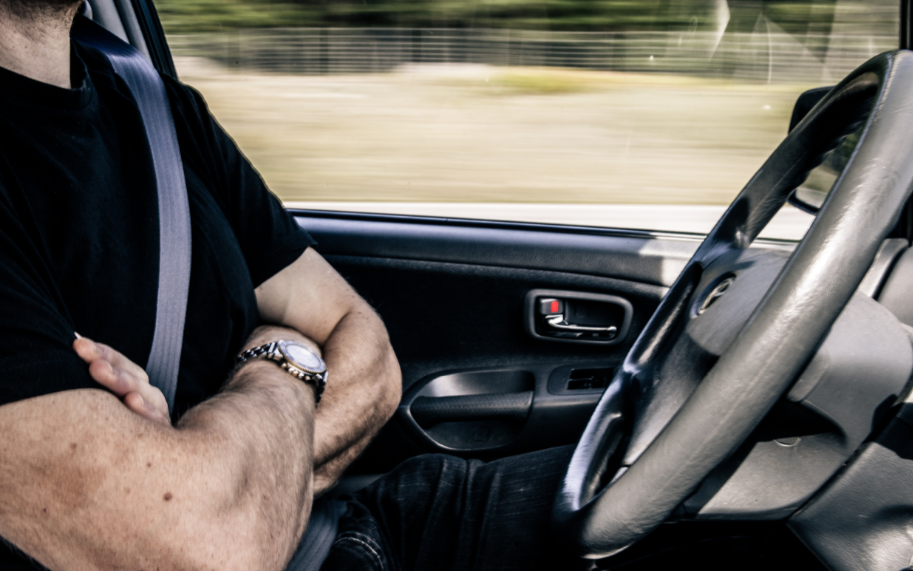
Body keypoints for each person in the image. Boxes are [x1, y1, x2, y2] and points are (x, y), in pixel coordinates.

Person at [0, 0, 577, 570]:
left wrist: (237, 479)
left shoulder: (157, 108)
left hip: (348, 527)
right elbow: (205, 548)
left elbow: (368, 352)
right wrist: (283, 357)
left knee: (625, 493)